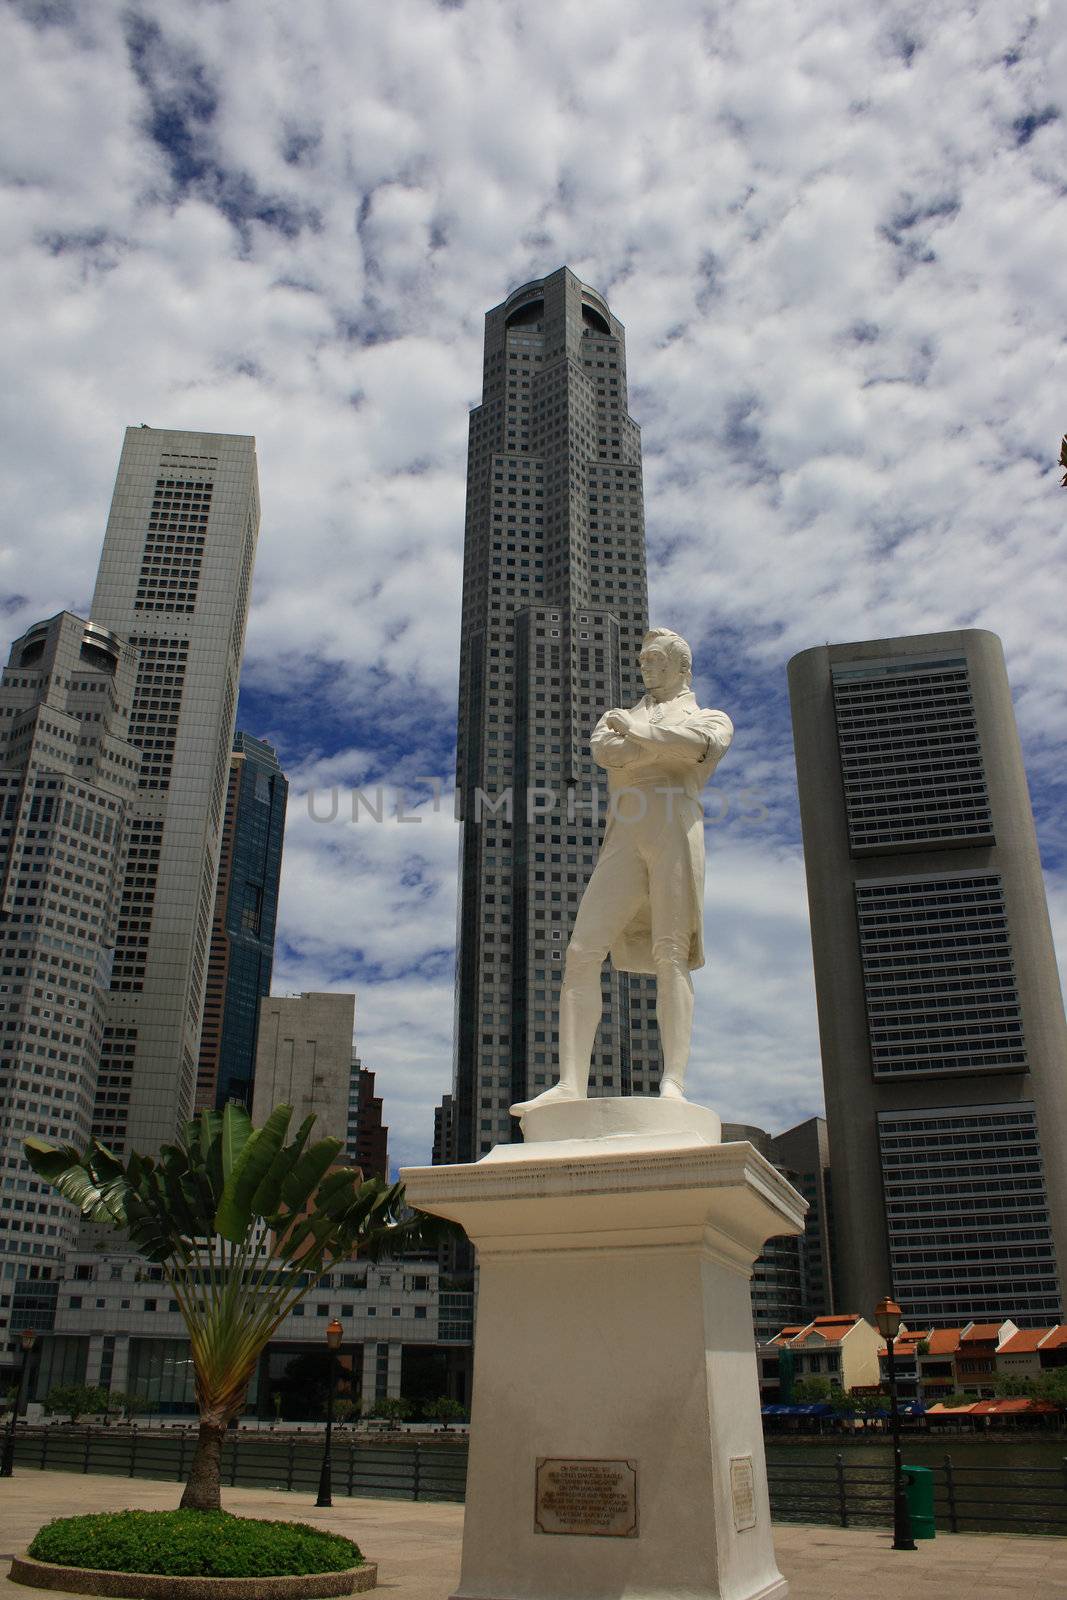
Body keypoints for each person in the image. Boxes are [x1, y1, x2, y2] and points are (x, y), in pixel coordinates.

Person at [511, 628, 733, 1114]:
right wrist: (651, 743)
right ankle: (571, 1083)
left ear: (681, 666)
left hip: (675, 825)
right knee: (582, 949)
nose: (646, 667)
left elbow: (695, 747)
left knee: (671, 951)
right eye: (642, 661)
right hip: (626, 830)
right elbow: (607, 753)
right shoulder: (618, 718)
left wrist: (636, 735)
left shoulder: (708, 716)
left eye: (655, 659)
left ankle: (673, 1079)